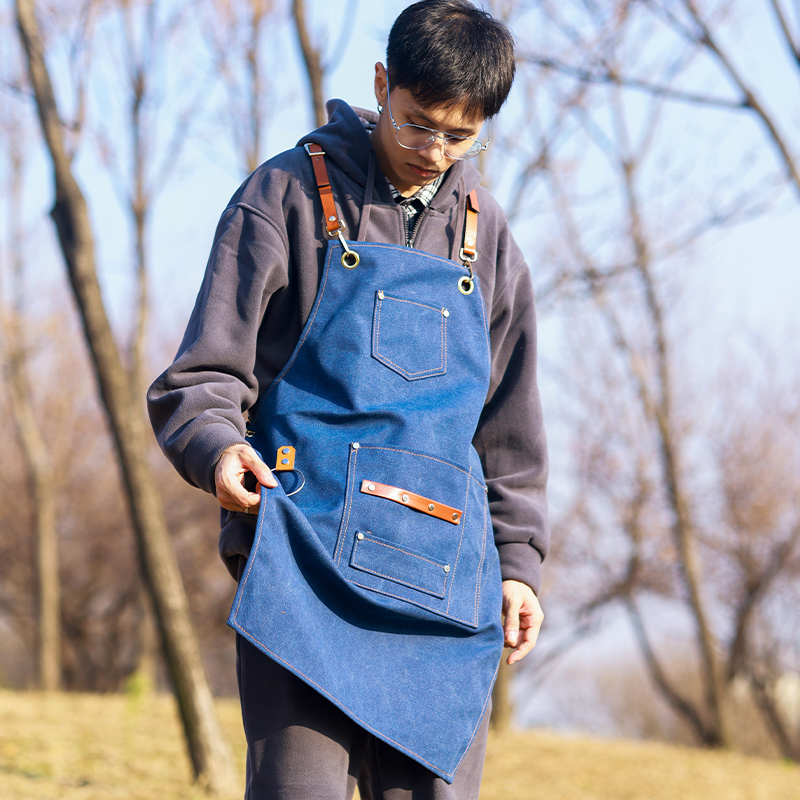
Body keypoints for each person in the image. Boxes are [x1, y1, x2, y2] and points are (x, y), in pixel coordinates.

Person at [147, 1, 549, 797]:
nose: (434, 152)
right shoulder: (286, 193)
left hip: (445, 585)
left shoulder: (490, 235)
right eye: (417, 124)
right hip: (303, 563)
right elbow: (201, 380)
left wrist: (520, 565)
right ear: (381, 85)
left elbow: (510, 429)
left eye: (459, 136)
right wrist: (219, 447)